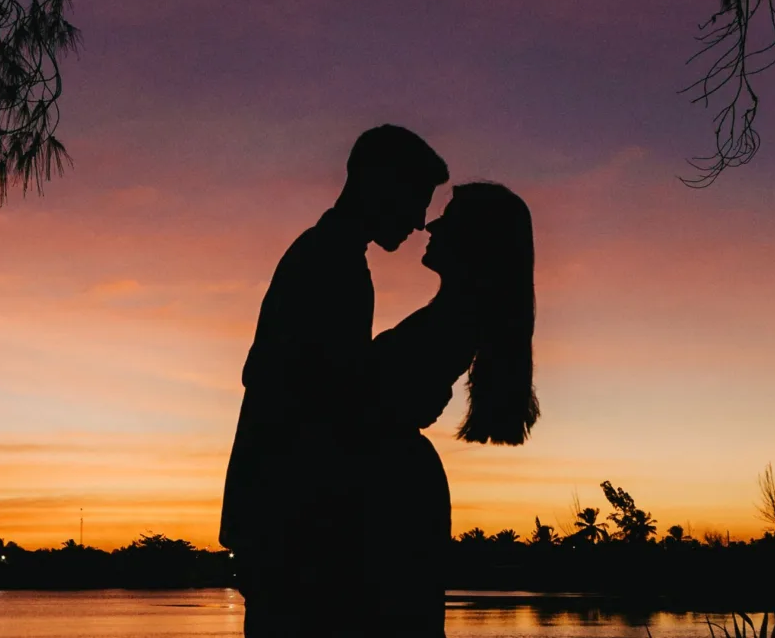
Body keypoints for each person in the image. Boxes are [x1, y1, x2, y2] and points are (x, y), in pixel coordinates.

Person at [219, 125, 449, 637]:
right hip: (292, 519)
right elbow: (309, 393)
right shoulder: (330, 263)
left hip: (284, 515)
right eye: (414, 200)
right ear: (377, 183)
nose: (417, 221)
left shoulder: (330, 257)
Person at [362, 181, 540, 637]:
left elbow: (373, 402)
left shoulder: (457, 320)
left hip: (393, 494)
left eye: (449, 218)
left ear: (476, 240)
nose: (432, 226)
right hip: (395, 484)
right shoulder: (455, 315)